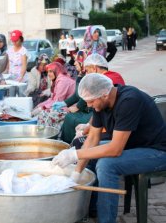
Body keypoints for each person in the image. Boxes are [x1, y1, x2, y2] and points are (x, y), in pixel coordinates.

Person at [52, 73, 166, 223]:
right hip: (133, 146)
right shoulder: (101, 104)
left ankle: (106, 220)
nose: (88, 106)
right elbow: (92, 138)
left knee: (107, 165)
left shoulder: (129, 101)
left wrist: (74, 155)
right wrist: (76, 174)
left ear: (104, 95)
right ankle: (90, 210)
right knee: (90, 153)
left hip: (156, 151)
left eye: (90, 102)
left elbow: (115, 149)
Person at [52, 50, 92, 143]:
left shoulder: (90, 77)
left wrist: (78, 107)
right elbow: (76, 94)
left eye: (76, 61)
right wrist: (64, 103)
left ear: (83, 62)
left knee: (71, 118)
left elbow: (87, 96)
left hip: (91, 112)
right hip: (84, 109)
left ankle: (74, 144)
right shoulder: (80, 75)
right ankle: (65, 142)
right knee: (68, 117)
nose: (74, 63)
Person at [33, 62, 75, 129]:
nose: (48, 74)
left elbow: (58, 101)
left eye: (51, 71)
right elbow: (52, 99)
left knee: (43, 114)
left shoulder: (63, 81)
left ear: (57, 71)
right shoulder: (58, 79)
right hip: (62, 106)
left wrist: (42, 108)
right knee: (41, 113)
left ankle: (47, 135)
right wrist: (39, 106)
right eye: (48, 72)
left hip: (69, 108)